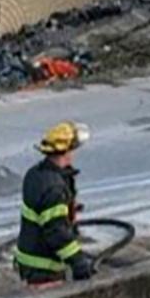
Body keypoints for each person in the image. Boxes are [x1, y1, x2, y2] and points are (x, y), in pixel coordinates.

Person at [14, 120, 97, 285]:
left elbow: (44, 212)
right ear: (67, 150)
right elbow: (56, 232)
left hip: (28, 258)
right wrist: (78, 261)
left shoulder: (35, 174)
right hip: (43, 267)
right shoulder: (54, 189)